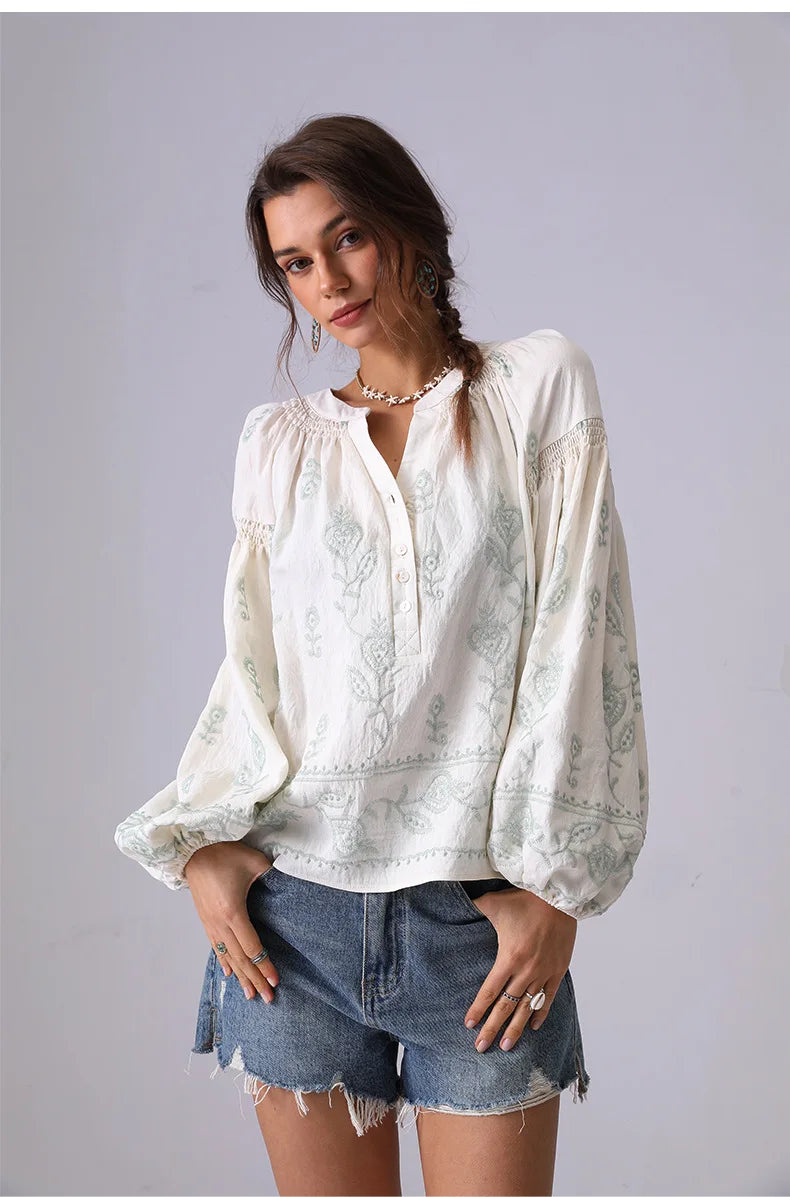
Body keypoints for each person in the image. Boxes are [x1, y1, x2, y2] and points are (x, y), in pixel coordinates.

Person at [114, 114, 649, 1197]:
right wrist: (201, 846)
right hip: (294, 924)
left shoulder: (536, 388)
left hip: (475, 926)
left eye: (346, 237)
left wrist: (554, 889)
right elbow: (254, 675)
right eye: (295, 263)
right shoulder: (278, 444)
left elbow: (579, 640)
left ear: (409, 224)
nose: (328, 281)